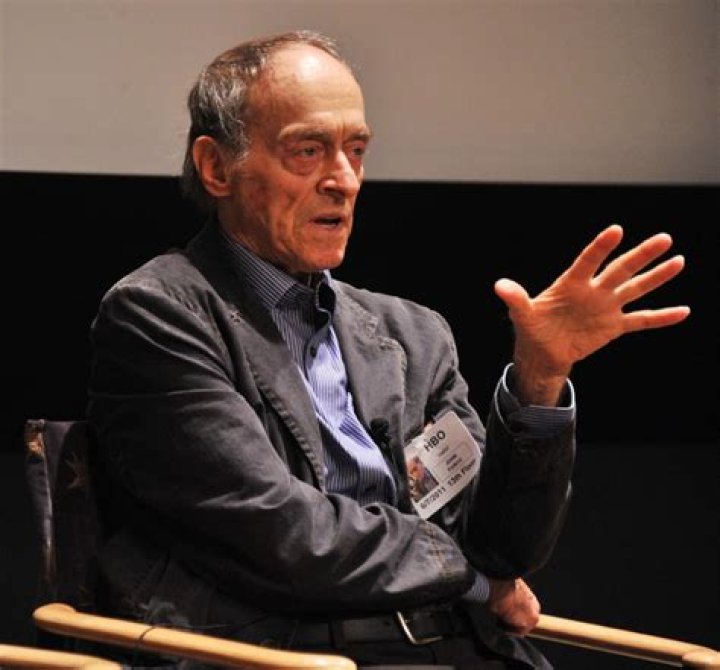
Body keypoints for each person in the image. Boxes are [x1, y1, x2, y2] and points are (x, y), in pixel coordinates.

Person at [86, 30, 690, 670]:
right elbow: (286, 537)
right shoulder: (160, 315)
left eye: (356, 151)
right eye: (308, 151)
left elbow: (503, 547)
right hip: (286, 656)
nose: (344, 181)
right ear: (216, 167)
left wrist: (539, 378)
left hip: (452, 649)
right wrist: (471, 580)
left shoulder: (412, 334)